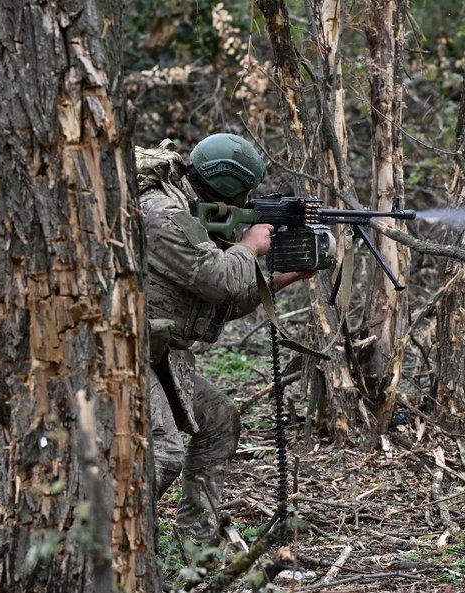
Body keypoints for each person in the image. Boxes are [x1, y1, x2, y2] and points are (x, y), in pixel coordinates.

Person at [139, 133, 311, 547]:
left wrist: (279, 280)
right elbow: (220, 279)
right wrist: (250, 246)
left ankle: (198, 546)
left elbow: (216, 302)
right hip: (116, 350)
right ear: (233, 188)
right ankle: (106, 544)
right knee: (162, 456)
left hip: (155, 348)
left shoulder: (192, 212)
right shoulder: (163, 214)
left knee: (218, 421)